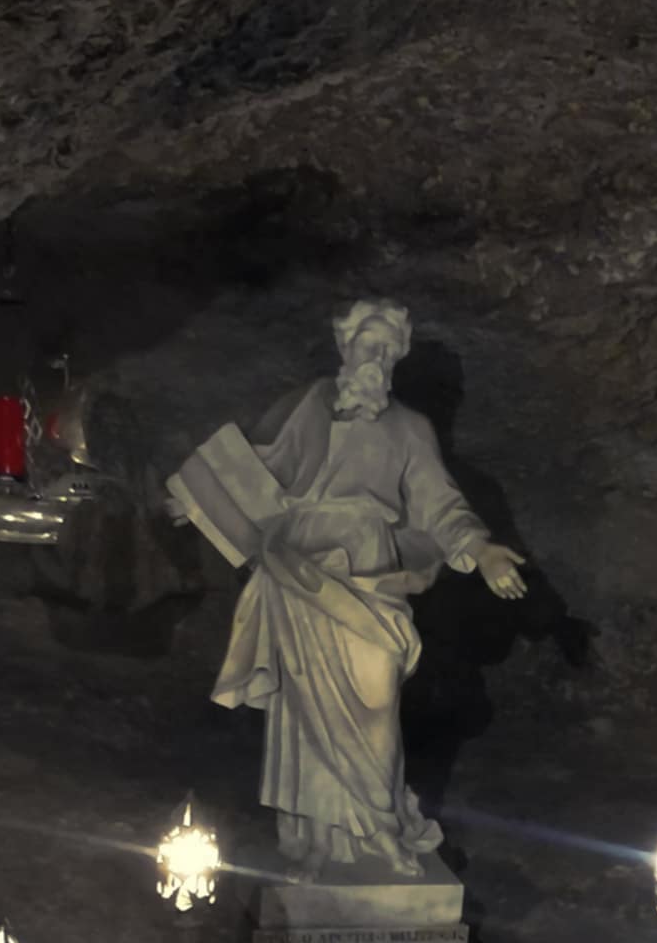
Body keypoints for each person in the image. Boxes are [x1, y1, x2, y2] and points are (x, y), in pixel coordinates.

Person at [167, 299, 526, 881]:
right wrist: (199, 499)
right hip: (300, 569)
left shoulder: (409, 429)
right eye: (367, 343)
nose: (376, 357)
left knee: (377, 702)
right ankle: (321, 842)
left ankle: (380, 828)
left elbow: (440, 503)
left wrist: (481, 550)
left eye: (387, 349)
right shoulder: (304, 408)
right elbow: (253, 467)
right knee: (305, 717)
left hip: (369, 572)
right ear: (345, 346)